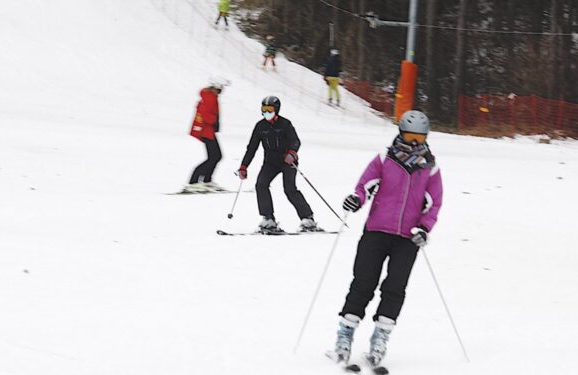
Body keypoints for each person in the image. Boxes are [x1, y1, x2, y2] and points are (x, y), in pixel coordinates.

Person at [330, 110, 443, 369]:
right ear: (400, 133)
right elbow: (364, 186)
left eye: (419, 137)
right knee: (363, 282)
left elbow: (434, 203)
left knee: (395, 288)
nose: (414, 142)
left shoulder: (431, 168)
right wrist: (356, 200)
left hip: (408, 238)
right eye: (409, 136)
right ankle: (344, 335)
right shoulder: (385, 158)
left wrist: (424, 228)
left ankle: (380, 337)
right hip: (377, 231)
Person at [236, 96, 318, 233]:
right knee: (261, 185)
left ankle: (307, 219)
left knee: (289, 189)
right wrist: (244, 166)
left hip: (287, 161)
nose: (266, 112)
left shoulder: (285, 124)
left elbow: (295, 141)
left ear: (277, 110)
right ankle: (268, 219)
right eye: (264, 109)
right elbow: (252, 148)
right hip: (270, 163)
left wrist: (292, 153)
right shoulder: (260, 126)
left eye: (269, 109)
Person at [185, 76, 230, 193]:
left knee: (215, 156)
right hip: (207, 131)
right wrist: (213, 121)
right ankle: (194, 182)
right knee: (215, 156)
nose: (222, 90)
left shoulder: (211, 96)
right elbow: (205, 113)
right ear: (217, 86)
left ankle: (206, 181)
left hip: (208, 131)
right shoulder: (210, 97)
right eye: (221, 87)